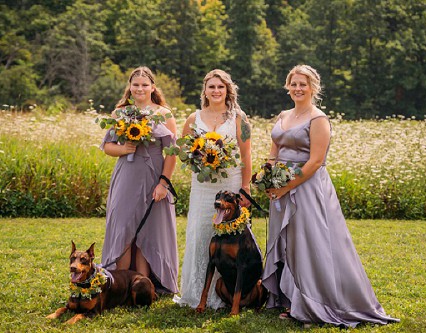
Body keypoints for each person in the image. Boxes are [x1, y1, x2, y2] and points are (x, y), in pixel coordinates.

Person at [262, 65, 399, 328]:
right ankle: (290, 298)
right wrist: (268, 176)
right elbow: (274, 150)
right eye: (294, 84)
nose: (298, 88)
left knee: (308, 241)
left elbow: (315, 162)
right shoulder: (283, 115)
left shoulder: (318, 119)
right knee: (288, 241)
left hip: (307, 187)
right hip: (279, 185)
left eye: (303, 84)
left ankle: (315, 302)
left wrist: (285, 186)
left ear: (313, 87)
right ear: (287, 87)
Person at [173, 69, 252, 309]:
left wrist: (245, 187)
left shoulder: (239, 118)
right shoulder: (192, 118)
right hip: (203, 185)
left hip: (231, 183)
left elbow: (247, 154)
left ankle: (228, 293)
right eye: (212, 87)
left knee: (230, 236)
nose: (216, 91)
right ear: (204, 91)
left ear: (228, 90)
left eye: (220, 87)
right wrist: (196, 157)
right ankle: (196, 293)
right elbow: (183, 152)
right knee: (200, 233)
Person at [100, 66, 179, 295]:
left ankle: (144, 287)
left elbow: (172, 153)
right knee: (123, 226)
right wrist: (123, 148)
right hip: (127, 175)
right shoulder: (120, 113)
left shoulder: (164, 113)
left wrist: (163, 183)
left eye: (145, 84)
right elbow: (107, 147)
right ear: (130, 87)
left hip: (154, 175)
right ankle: (118, 286)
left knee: (149, 229)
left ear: (153, 87)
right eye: (136, 85)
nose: (140, 88)